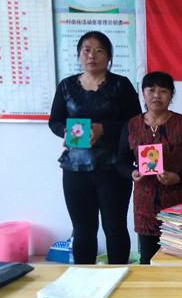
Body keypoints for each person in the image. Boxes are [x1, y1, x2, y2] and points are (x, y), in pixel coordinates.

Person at [49, 31, 141, 264]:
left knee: (115, 227)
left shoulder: (121, 85)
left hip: (113, 167)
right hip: (75, 167)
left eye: (99, 51)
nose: (92, 56)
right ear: (79, 54)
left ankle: (120, 275)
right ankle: (84, 279)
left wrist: (104, 129)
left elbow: (135, 122)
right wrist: (65, 132)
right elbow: (55, 121)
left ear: (109, 57)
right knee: (82, 229)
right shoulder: (67, 86)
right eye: (87, 50)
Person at [117, 72, 182, 264]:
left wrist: (178, 177)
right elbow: (121, 162)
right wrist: (132, 173)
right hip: (145, 204)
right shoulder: (131, 125)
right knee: (148, 258)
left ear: (171, 95)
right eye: (151, 90)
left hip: (179, 202)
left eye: (163, 91)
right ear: (143, 94)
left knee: (181, 257)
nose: (157, 95)